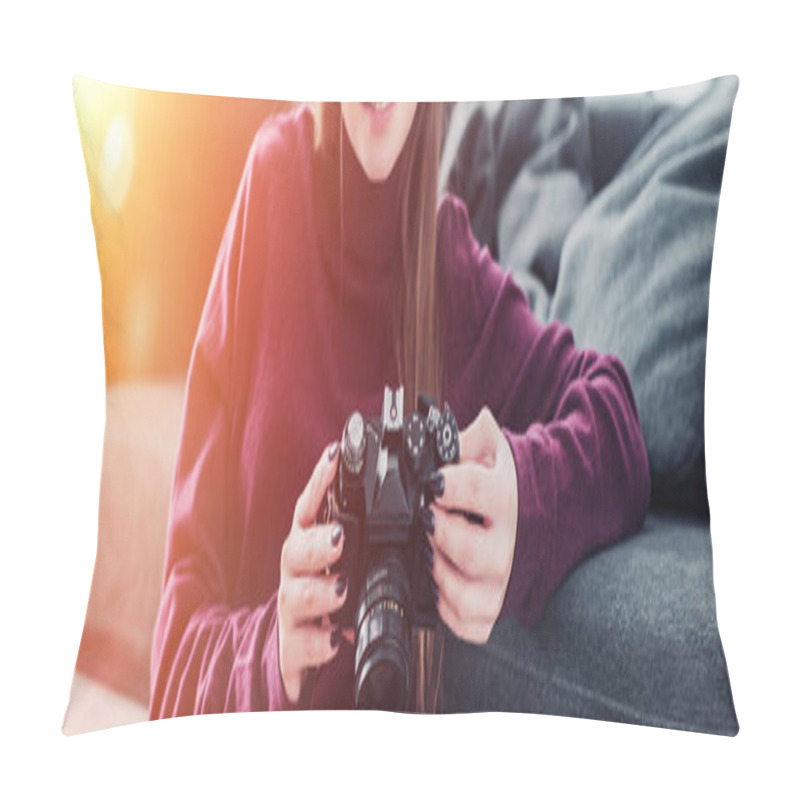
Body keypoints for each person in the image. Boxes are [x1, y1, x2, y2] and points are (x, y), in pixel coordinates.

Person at [148, 102, 650, 716]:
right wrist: (276, 646)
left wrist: (529, 501)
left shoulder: (450, 265)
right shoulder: (275, 184)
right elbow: (173, 666)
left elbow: (616, 420)